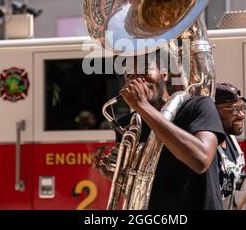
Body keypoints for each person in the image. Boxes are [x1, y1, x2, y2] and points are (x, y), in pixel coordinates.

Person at [95, 50, 226, 210]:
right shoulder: (128, 124)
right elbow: (132, 186)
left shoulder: (199, 106)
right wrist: (114, 172)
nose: (138, 80)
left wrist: (142, 106)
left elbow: (200, 160)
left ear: (164, 74)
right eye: (130, 76)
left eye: (144, 71)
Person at [214, 83, 246, 209]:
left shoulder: (232, 142)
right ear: (214, 110)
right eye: (234, 110)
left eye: (243, 108)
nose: (241, 114)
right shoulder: (208, 147)